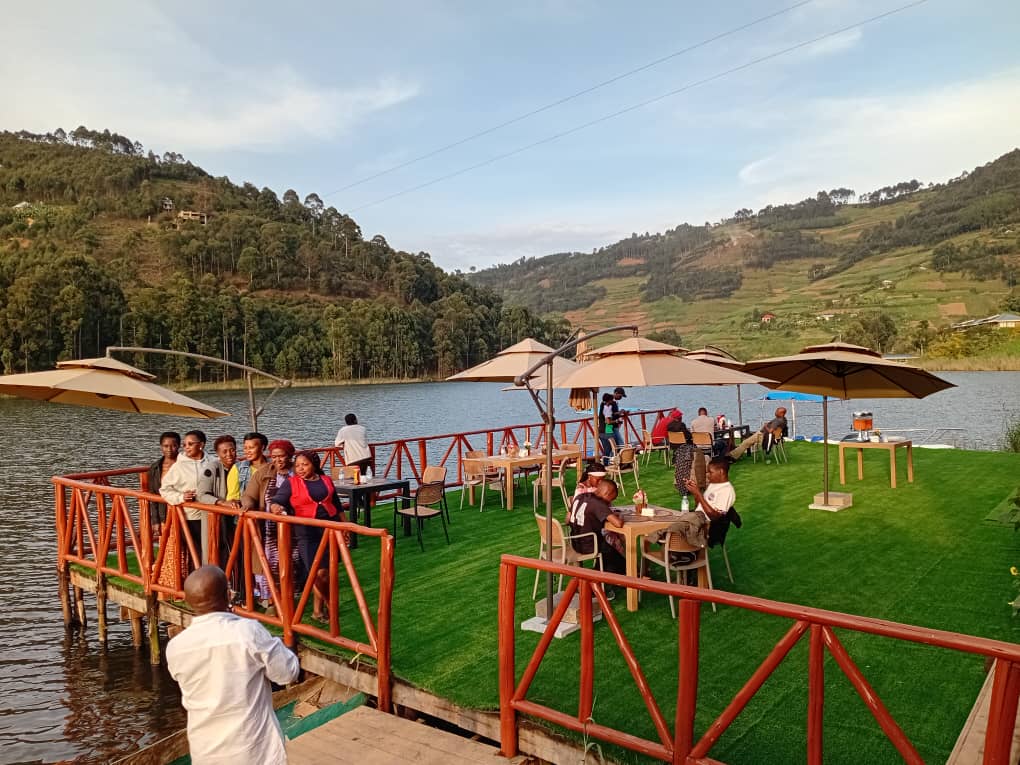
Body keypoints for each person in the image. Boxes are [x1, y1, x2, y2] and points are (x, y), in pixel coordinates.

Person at [166, 566, 299, 765]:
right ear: (228, 595)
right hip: (255, 753)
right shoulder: (248, 632)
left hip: (206, 753)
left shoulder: (176, 647)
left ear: (189, 601)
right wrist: (276, 645)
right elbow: (287, 673)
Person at [271, 450, 347, 621]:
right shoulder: (291, 483)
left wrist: (345, 525)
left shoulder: (326, 480)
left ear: (314, 465)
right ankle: (331, 606)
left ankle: (317, 611)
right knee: (317, 571)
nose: (300, 468)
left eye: (305, 465)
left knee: (327, 571)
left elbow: (336, 503)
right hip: (307, 531)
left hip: (330, 528)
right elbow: (278, 500)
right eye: (297, 465)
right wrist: (276, 507)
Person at [242, 439, 297, 609]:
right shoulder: (264, 472)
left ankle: (292, 595)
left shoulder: (298, 471)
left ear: (290, 456)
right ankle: (271, 599)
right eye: (274, 457)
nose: (278, 460)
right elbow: (249, 494)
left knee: (293, 560)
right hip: (268, 527)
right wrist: (247, 505)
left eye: (282, 456)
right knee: (268, 560)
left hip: (295, 526)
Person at [159, 430, 222, 568]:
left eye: (190, 444)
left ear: (201, 445)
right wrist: (181, 496)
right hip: (190, 516)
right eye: (185, 444)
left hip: (213, 513)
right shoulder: (179, 466)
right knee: (197, 552)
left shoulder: (213, 461)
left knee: (216, 549)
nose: (186, 447)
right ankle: (199, 584)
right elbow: (164, 489)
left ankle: (218, 581)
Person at [566, 478, 625, 577]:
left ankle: (599, 575)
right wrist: (621, 516)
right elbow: (618, 524)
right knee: (618, 560)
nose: (609, 504)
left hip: (575, 542)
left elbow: (567, 520)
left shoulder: (579, 497)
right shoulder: (598, 504)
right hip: (590, 545)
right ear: (607, 494)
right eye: (612, 499)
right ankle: (629, 578)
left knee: (610, 553)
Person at [146, 431, 180, 531]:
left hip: (184, 512)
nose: (169, 449)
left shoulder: (186, 464)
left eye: (173, 446)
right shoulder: (155, 467)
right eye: (166, 446)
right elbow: (153, 494)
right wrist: (155, 520)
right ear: (161, 446)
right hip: (164, 513)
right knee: (168, 544)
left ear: (178, 446)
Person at [666, 414, 696, 499]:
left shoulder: (669, 425)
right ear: (679, 417)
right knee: (693, 443)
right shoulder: (681, 425)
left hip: (674, 446)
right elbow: (688, 436)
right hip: (683, 448)